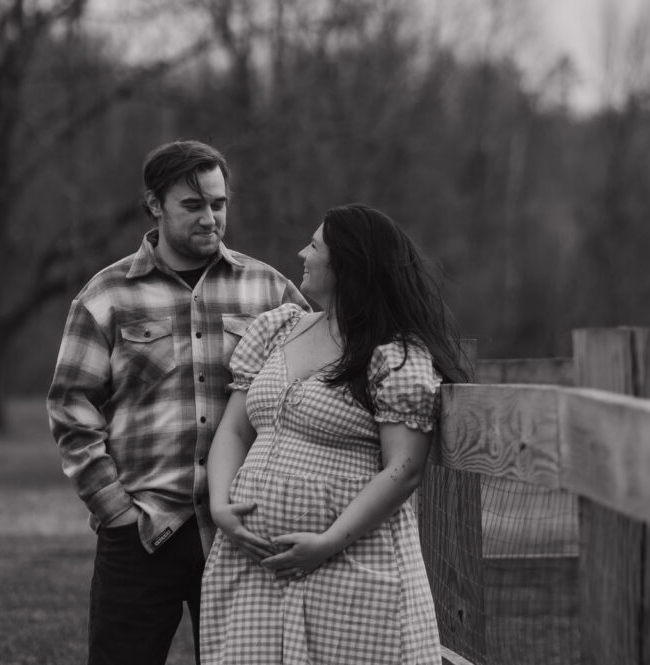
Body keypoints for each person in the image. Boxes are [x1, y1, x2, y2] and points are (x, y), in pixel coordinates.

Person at [46, 139, 308, 665]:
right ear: (154, 205)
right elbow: (72, 409)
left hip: (243, 529)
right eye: (193, 205)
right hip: (143, 530)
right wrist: (115, 510)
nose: (211, 218)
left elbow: (315, 381)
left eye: (219, 203)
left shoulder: (270, 291)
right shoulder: (106, 296)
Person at [200, 203, 468, 664]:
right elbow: (235, 430)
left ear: (347, 264)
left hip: (350, 563)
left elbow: (403, 469)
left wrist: (326, 542)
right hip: (254, 568)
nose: (301, 253)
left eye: (315, 246)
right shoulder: (278, 330)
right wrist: (221, 507)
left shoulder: (394, 355)